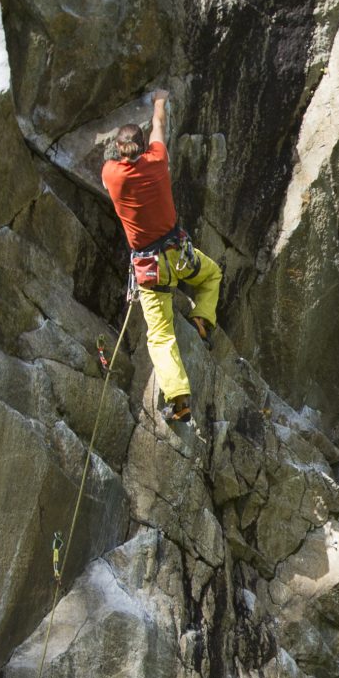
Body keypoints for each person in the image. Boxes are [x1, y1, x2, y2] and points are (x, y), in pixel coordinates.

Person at [100, 89, 223, 426]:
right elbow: (159, 126)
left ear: (119, 150)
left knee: (161, 335)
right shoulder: (157, 161)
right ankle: (202, 319)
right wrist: (158, 101)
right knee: (211, 275)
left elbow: (110, 156)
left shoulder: (112, 176)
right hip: (179, 255)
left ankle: (179, 399)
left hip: (151, 270)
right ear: (143, 147)